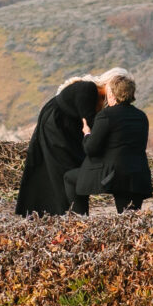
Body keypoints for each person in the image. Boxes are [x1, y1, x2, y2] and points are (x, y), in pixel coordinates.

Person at [15, 79, 104, 216]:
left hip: (60, 126)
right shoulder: (89, 89)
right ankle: (67, 214)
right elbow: (90, 122)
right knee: (62, 171)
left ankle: (61, 213)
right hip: (56, 127)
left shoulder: (90, 91)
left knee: (59, 170)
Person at [70, 72, 153, 212]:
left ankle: (80, 219)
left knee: (69, 178)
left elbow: (91, 149)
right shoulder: (141, 116)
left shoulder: (106, 116)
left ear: (112, 94)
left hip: (115, 176)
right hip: (139, 175)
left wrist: (87, 133)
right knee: (131, 218)